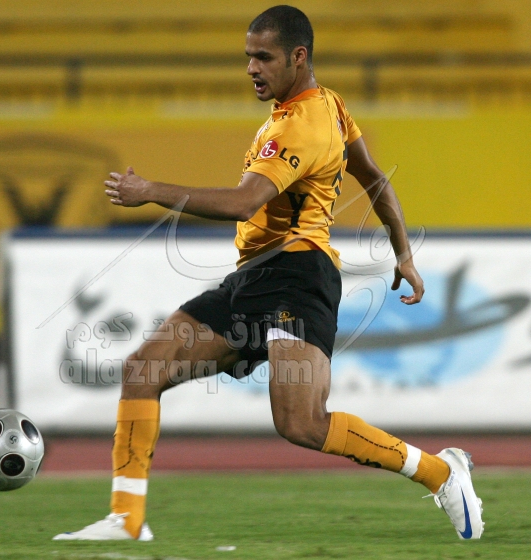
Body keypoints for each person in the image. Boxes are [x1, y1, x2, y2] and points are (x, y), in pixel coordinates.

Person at [54, 5, 483, 542]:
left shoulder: (302, 125)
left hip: (298, 275)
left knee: (302, 423)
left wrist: (151, 191)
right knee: (143, 369)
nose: (252, 68)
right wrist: (403, 253)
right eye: (248, 57)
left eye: (264, 57)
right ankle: (127, 519)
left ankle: (442, 472)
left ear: (298, 57)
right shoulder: (326, 106)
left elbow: (243, 202)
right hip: (253, 277)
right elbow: (374, 177)